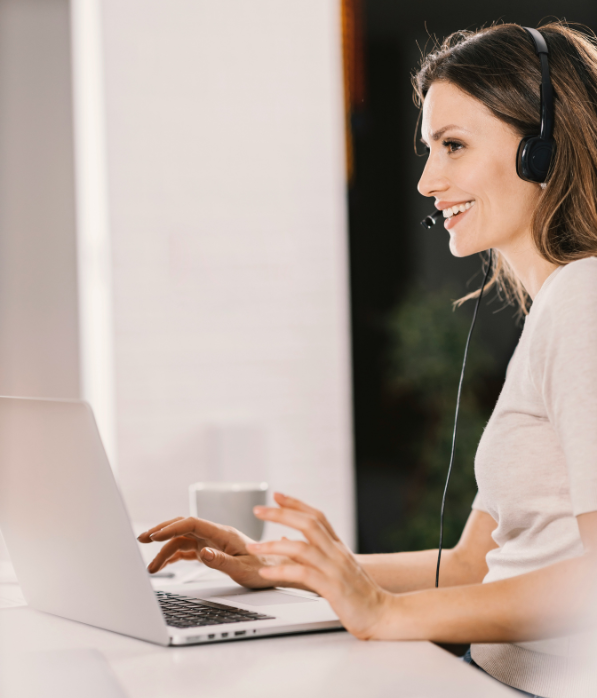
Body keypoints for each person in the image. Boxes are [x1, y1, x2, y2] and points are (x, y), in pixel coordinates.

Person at [138, 21, 597, 698]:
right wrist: (290, 568)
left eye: (453, 146)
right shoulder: (562, 307)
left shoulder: (583, 301)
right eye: (428, 149)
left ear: (540, 149)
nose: (425, 181)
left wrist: (386, 615)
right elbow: (476, 562)